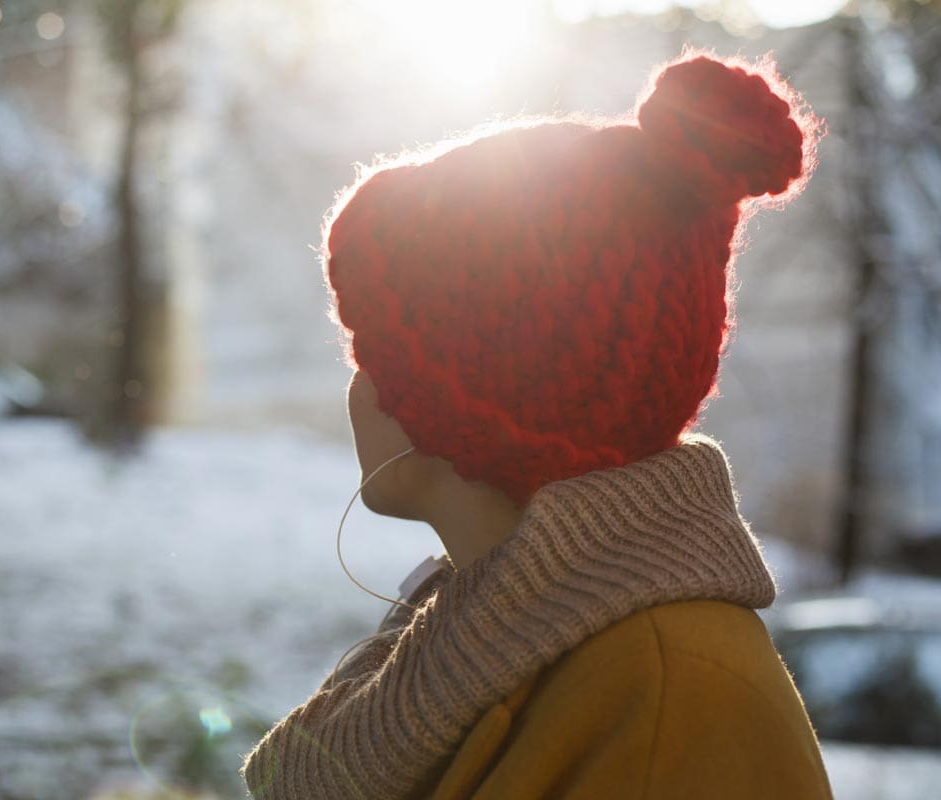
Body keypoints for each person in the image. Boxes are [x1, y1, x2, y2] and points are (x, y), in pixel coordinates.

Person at [242, 52, 833, 799]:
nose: (358, 382)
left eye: (373, 348)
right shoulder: (497, 643)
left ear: (452, 396)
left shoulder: (669, 691)